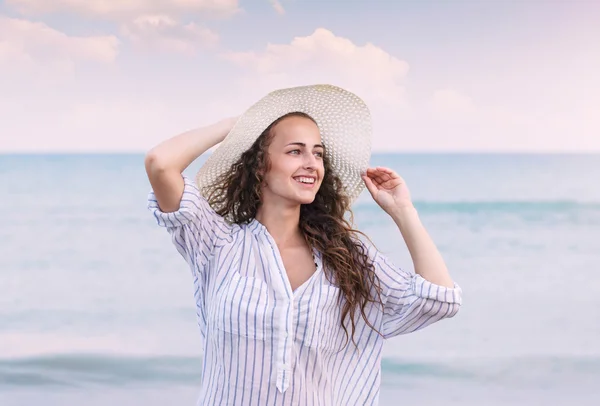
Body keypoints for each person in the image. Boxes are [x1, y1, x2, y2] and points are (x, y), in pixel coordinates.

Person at [145, 84, 462, 406]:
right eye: (295, 151)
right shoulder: (217, 244)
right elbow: (161, 164)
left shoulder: (346, 259)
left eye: (319, 153)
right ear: (259, 165)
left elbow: (440, 299)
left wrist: (403, 211)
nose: (312, 163)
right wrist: (239, 125)